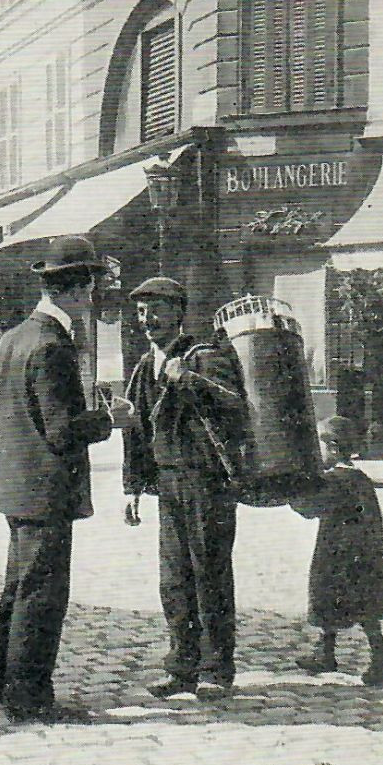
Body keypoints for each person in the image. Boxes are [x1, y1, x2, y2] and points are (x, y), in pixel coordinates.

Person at [0, 236, 135, 724]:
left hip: (17, 485)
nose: (93, 296)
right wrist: (110, 420)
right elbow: (61, 430)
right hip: (46, 489)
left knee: (19, 588)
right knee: (42, 594)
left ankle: (6, 686)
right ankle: (30, 698)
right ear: (80, 288)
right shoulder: (53, 346)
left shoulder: (15, 337)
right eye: (91, 285)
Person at [119, 276, 248, 700]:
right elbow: (135, 429)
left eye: (156, 310)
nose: (148, 319)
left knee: (209, 571)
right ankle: (181, 667)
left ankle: (216, 668)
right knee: (174, 578)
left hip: (207, 479)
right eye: (141, 312)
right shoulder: (143, 367)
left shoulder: (205, 355)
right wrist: (132, 487)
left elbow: (234, 403)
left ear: (178, 312)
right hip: (168, 483)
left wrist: (187, 379)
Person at [289, 416, 383, 686]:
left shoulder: (334, 480)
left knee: (334, 599)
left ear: (332, 447)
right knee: (363, 607)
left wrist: (292, 489)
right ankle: (333, 653)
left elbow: (308, 509)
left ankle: (377, 660)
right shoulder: (360, 478)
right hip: (366, 553)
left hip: (337, 554)